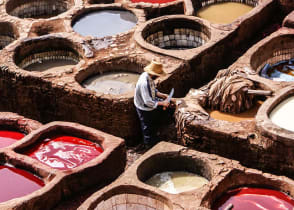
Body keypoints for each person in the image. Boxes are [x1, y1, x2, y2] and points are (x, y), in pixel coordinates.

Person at [134, 60, 174, 148]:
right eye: (158, 75)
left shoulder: (148, 77)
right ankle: (149, 145)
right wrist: (162, 103)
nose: (158, 77)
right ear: (153, 74)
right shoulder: (144, 83)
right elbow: (147, 102)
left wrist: (162, 95)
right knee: (147, 126)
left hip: (150, 103)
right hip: (143, 107)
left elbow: (153, 90)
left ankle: (156, 134)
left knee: (153, 121)